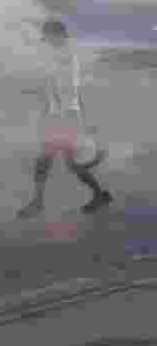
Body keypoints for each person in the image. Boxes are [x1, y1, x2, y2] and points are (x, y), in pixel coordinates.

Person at [18, 19, 113, 218]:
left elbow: (63, 87)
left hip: (64, 117)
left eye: (48, 37)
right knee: (69, 163)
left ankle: (38, 202)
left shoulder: (65, 56)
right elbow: (63, 88)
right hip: (63, 115)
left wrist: (59, 116)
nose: (47, 41)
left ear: (57, 35)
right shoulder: (60, 54)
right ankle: (98, 193)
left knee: (47, 160)